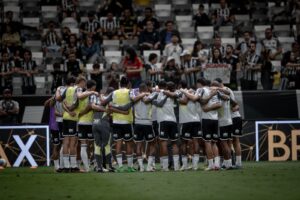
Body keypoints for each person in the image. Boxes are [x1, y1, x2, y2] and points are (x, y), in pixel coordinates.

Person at [110, 76, 135, 172]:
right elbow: (134, 100)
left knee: (118, 144)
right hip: (127, 122)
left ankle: (120, 167)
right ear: (128, 84)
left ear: (119, 84)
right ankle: (129, 167)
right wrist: (124, 111)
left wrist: (118, 109)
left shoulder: (114, 92)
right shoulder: (130, 92)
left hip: (116, 122)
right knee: (129, 144)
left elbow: (110, 106)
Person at [153, 81, 180, 171]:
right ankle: (176, 167)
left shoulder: (159, 93)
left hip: (163, 121)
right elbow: (177, 95)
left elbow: (159, 104)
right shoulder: (173, 94)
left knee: (163, 143)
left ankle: (165, 167)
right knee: (174, 143)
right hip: (173, 121)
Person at [130, 83, 155, 172]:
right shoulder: (149, 95)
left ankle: (141, 167)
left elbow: (134, 99)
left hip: (137, 123)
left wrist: (143, 94)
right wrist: (147, 93)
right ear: (146, 89)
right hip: (147, 123)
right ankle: (148, 166)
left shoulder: (135, 96)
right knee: (152, 144)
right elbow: (147, 100)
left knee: (138, 145)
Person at [177, 80, 202, 171]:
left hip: (186, 121)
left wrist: (178, 99)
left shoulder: (184, 92)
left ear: (180, 85)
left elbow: (184, 101)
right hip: (195, 120)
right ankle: (194, 165)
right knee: (195, 142)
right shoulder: (193, 92)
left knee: (183, 143)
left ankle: (185, 165)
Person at [77, 80, 98, 172]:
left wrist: (80, 113)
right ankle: (94, 163)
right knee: (92, 145)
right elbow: (92, 106)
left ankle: (87, 167)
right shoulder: (92, 94)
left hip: (80, 122)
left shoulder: (81, 94)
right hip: (89, 122)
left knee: (83, 145)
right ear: (93, 87)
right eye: (95, 86)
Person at [44, 96, 63, 172]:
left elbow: (46, 104)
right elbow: (47, 105)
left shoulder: (59, 100)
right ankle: (57, 167)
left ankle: (59, 166)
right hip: (56, 126)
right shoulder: (54, 101)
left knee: (59, 146)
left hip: (56, 126)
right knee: (58, 146)